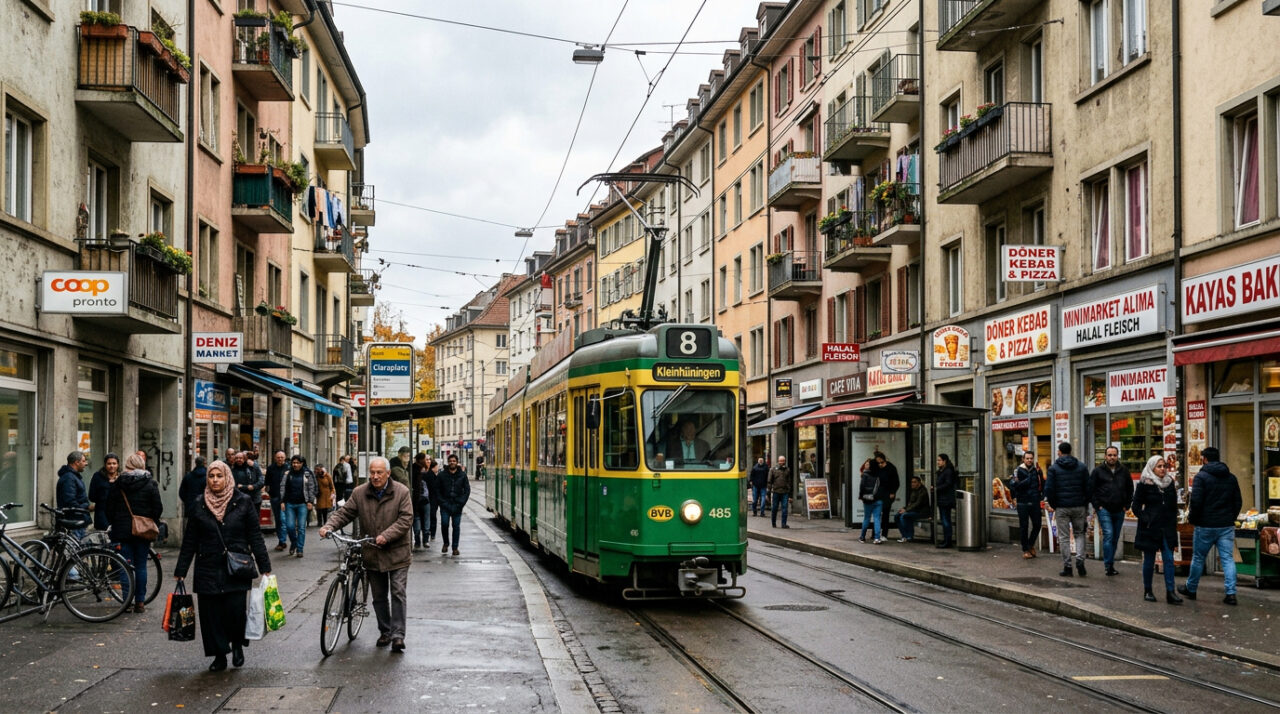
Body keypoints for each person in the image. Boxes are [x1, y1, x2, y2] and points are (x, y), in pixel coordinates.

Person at [174, 460, 273, 671]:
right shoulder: (199, 503)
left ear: (227, 477)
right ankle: (219, 655)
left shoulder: (243, 501)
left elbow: (255, 536)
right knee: (210, 616)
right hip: (207, 566)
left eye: (219, 476)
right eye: (212, 476)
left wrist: (265, 565)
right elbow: (190, 539)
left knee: (234, 612)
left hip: (236, 567)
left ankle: (237, 645)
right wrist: (181, 570)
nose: (215, 480)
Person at [320, 456, 413, 652]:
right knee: (378, 596)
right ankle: (385, 631)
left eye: (379, 472)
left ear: (388, 473)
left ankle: (398, 635)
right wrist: (329, 526)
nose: (375, 476)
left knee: (397, 592)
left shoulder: (401, 492)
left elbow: (406, 519)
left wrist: (386, 536)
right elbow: (345, 513)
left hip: (397, 553)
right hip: (372, 552)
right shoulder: (360, 492)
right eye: (372, 472)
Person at [1178, 446, 1243, 606]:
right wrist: (1231, 517)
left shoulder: (1201, 477)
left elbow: (1196, 502)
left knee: (1199, 558)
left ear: (1204, 459)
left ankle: (1191, 589)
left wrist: (1193, 519)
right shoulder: (1231, 477)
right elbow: (1238, 501)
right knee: (1227, 559)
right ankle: (1231, 593)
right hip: (1225, 525)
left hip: (1205, 525)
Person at [105, 452, 162, 613]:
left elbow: (109, 507)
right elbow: (158, 508)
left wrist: (115, 522)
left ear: (127, 466)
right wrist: (151, 521)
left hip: (122, 530)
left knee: (125, 566)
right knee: (141, 566)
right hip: (143, 531)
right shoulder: (151, 483)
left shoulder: (118, 483)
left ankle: (126, 602)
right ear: (142, 465)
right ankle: (140, 602)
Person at [1132, 455, 1183, 605]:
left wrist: (1174, 529)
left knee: (1169, 559)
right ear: (1152, 467)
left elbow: (1173, 508)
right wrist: (1146, 518)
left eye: (1164, 466)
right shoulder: (1144, 483)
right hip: (1150, 528)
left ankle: (1170, 592)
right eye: (1159, 466)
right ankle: (1148, 590)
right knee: (1149, 560)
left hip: (1166, 527)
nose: (1162, 469)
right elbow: (1135, 507)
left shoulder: (1169, 484)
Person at [1045, 442, 1092, 577]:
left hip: (1062, 507)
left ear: (1059, 452)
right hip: (1079, 506)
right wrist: (1085, 503)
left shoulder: (1054, 468)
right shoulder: (1081, 467)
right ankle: (1080, 560)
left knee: (1064, 537)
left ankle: (1067, 566)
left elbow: (1049, 489)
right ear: (1071, 451)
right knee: (1079, 533)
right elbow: (1088, 487)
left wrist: (1055, 504)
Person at [1091, 445, 1134, 576]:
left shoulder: (1124, 471)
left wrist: (1127, 505)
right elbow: (1091, 489)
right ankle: (1108, 565)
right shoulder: (1098, 471)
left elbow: (1130, 488)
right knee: (1108, 534)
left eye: (1114, 455)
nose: (1112, 457)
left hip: (1119, 509)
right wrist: (1097, 505)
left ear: (1117, 456)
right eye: (1109, 455)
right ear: (1105, 456)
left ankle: (1110, 564)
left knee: (1115, 537)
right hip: (1104, 508)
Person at [1009, 451, 1044, 558]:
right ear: (1023, 459)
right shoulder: (1017, 470)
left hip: (1034, 501)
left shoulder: (1037, 470)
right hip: (1022, 502)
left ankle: (1030, 545)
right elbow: (1014, 485)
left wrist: (1042, 498)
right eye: (1027, 458)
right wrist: (1027, 480)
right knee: (1024, 526)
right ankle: (1025, 550)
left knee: (1037, 525)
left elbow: (1042, 484)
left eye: (1031, 458)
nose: (1029, 460)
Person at [281, 455, 317, 558]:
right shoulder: (287, 474)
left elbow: (312, 487)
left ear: (302, 463)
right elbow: (283, 487)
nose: (295, 464)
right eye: (293, 463)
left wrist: (310, 501)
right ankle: (294, 542)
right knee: (290, 526)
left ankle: (300, 549)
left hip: (302, 504)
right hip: (290, 504)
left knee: (301, 528)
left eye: (297, 463)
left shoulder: (307, 474)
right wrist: (282, 501)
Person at [437, 454, 470, 555]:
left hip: (457, 505)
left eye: (454, 461)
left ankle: (455, 547)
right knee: (444, 524)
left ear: (457, 462)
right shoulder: (441, 475)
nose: (452, 462)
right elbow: (437, 490)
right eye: (450, 461)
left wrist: (461, 502)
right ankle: (446, 543)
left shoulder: (462, 475)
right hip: (445, 504)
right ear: (448, 462)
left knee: (456, 526)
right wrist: (442, 502)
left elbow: (467, 490)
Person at [56, 450, 91, 540]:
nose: (86, 464)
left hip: (77, 520)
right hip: (74, 521)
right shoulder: (69, 478)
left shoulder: (73, 477)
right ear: (76, 462)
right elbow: (70, 502)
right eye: (83, 461)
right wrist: (86, 508)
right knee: (77, 551)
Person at [264, 451, 290, 552]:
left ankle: (282, 541)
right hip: (275, 497)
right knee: (278, 520)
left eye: (282, 457)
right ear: (275, 458)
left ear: (285, 458)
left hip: (286, 498)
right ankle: (281, 540)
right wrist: (269, 493)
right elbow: (267, 483)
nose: (280, 459)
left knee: (283, 520)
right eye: (278, 457)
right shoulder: (271, 468)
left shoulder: (289, 468)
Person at [88, 452, 121, 532]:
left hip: (118, 514)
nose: (112, 466)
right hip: (101, 513)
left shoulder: (122, 477)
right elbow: (92, 496)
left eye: (114, 463)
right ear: (105, 464)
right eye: (109, 463)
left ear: (118, 465)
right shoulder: (97, 476)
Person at [895, 476, 930, 543]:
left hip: (921, 512)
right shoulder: (914, 490)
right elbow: (911, 503)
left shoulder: (923, 491)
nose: (912, 484)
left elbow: (917, 503)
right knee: (897, 516)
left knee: (904, 516)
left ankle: (908, 536)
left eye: (914, 482)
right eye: (912, 482)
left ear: (919, 483)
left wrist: (906, 510)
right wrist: (904, 508)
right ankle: (904, 535)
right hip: (914, 510)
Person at [934, 454, 958, 549]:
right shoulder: (942, 471)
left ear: (945, 461)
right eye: (937, 460)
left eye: (939, 460)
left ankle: (948, 541)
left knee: (945, 520)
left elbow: (948, 484)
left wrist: (937, 488)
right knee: (945, 520)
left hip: (946, 499)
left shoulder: (947, 471)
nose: (938, 462)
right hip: (942, 498)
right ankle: (946, 540)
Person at [410, 452, 430, 549]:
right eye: (425, 459)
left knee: (421, 521)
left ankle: (421, 541)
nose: (427, 461)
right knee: (422, 521)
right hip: (418, 500)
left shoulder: (423, 470)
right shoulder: (416, 470)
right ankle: (422, 541)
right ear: (421, 460)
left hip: (421, 500)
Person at [768, 456, 793, 529]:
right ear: (778, 461)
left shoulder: (787, 470)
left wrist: (790, 495)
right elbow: (769, 481)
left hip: (785, 492)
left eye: (783, 461)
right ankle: (773, 523)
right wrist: (768, 492)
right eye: (781, 461)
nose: (782, 462)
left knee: (785, 508)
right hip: (776, 491)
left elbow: (789, 482)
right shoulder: (773, 469)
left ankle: (783, 524)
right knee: (774, 508)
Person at [425, 457, 442, 543]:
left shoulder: (429, 474)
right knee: (432, 517)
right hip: (432, 500)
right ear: (434, 467)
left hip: (430, 499)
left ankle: (429, 532)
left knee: (429, 516)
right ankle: (432, 533)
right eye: (437, 467)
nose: (438, 468)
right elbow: (434, 489)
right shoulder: (431, 476)